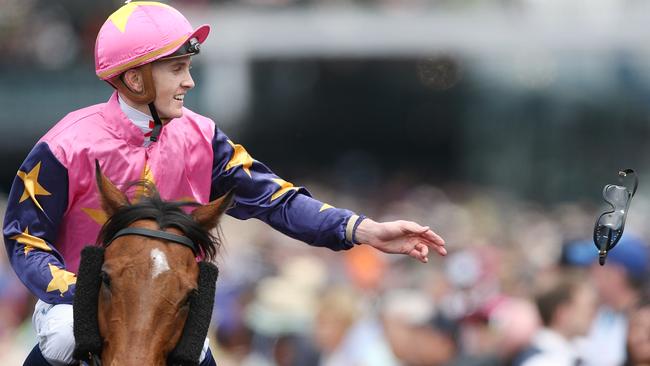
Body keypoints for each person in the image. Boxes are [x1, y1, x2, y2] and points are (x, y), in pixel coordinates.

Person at [2, 2, 447, 366]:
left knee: (197, 354)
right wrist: (79, 291)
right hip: (81, 303)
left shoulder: (204, 138)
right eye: (176, 69)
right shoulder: (65, 145)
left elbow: (275, 199)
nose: (189, 81)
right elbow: (23, 237)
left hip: (171, 306)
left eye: (188, 67)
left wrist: (363, 229)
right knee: (61, 343)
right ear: (135, 78)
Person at [512, 273, 597, 366]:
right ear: (563, 314)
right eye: (588, 308)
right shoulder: (540, 362)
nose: (593, 316)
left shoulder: (574, 352)